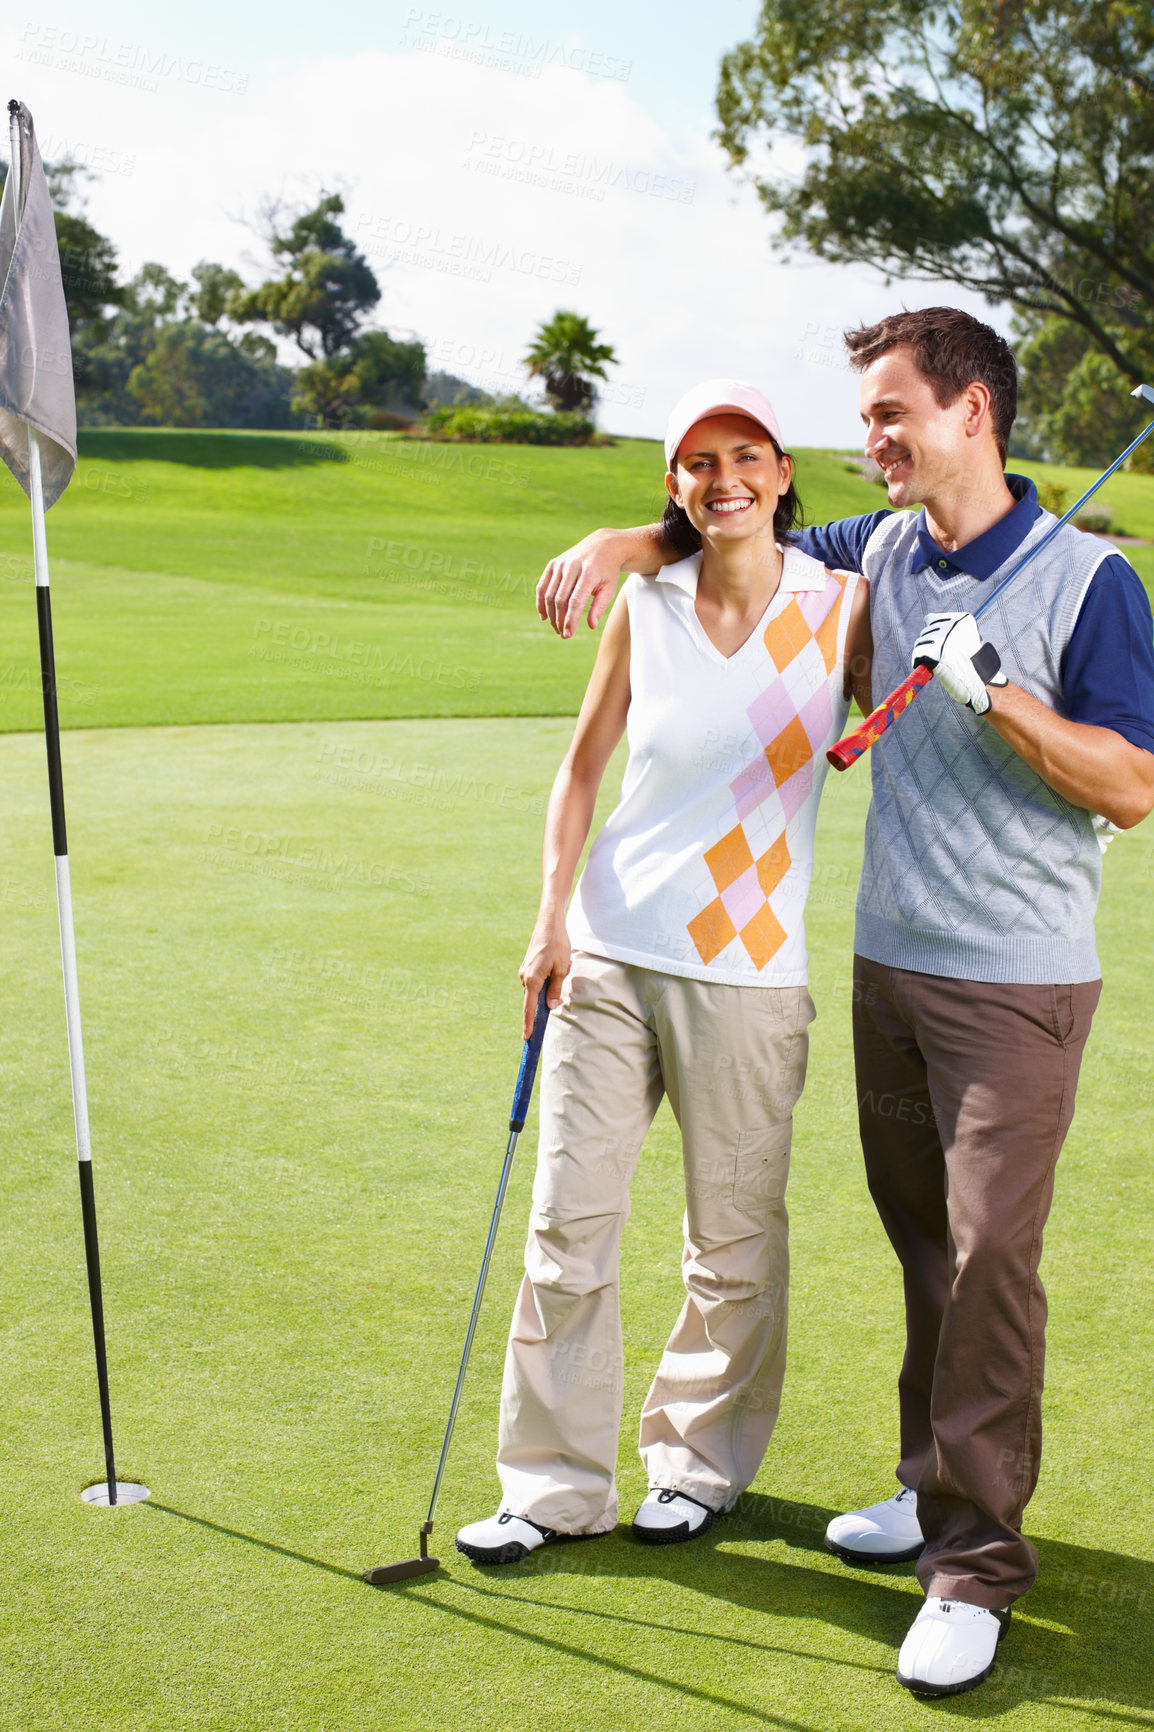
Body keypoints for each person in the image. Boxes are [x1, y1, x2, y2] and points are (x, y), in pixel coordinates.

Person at [531, 308, 1154, 1698]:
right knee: (926, 1250)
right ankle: (928, 1485)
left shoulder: (1089, 584)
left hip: (1017, 984)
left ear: (971, 413)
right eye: (864, 417)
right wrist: (624, 543)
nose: (868, 439)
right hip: (887, 970)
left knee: (991, 1259)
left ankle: (974, 1566)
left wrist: (995, 694)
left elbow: (1129, 783)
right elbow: (728, 536)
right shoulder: (878, 550)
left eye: (891, 415)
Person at [455, 380, 871, 1566]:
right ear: (673, 485)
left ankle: (695, 1469)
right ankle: (550, 1488)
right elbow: (579, 772)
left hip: (747, 973)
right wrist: (549, 920)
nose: (722, 479)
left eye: (745, 456)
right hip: (609, 951)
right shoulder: (650, 599)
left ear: (785, 473)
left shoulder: (842, 607)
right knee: (564, 1226)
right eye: (697, 462)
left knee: (729, 1239)